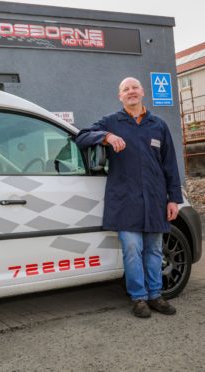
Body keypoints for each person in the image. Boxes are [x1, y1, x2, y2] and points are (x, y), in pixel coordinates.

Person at [76, 77, 183, 318]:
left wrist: (173, 198)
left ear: (142, 92)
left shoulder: (159, 125)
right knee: (132, 248)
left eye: (135, 88)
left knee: (155, 249)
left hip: (155, 199)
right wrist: (106, 137)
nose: (131, 92)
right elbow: (81, 137)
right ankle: (139, 298)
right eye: (126, 89)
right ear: (120, 96)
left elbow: (170, 165)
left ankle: (156, 295)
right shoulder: (111, 122)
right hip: (125, 200)